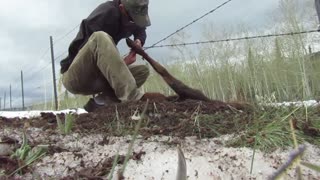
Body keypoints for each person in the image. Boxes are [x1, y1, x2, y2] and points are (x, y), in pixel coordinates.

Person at [60, 0, 163, 112]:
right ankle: (134, 100)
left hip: (99, 79)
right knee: (100, 38)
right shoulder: (106, 13)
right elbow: (92, 52)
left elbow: (140, 29)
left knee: (142, 71)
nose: (133, 22)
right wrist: (122, 63)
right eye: (132, 18)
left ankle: (100, 102)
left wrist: (138, 42)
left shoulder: (130, 16)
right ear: (122, 8)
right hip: (76, 77)